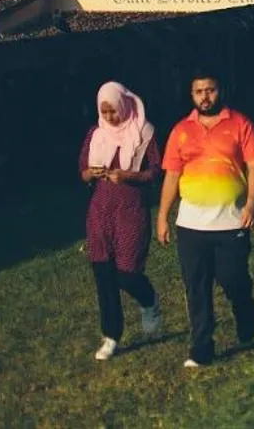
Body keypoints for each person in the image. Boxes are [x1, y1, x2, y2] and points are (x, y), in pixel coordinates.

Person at [158, 70, 254, 369]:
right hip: (191, 226)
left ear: (220, 90)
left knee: (233, 279)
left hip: (232, 222)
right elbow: (172, 176)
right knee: (196, 287)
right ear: (191, 95)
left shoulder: (241, 124)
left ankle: (244, 310)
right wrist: (163, 216)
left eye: (210, 90)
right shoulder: (181, 131)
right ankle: (201, 347)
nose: (205, 97)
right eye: (199, 91)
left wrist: (252, 204)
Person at [80, 81, 163, 360]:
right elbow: (82, 171)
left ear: (124, 105)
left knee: (127, 273)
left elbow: (155, 171)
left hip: (130, 209)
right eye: (104, 112)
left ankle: (148, 300)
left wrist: (128, 175)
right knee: (103, 273)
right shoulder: (96, 134)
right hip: (101, 211)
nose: (110, 117)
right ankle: (111, 335)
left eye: (113, 111)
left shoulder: (144, 132)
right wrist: (91, 173)